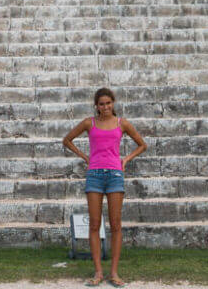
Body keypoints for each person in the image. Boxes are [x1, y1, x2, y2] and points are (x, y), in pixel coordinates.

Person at [62, 87, 148, 288]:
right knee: (94, 224)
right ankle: (98, 272)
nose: (105, 107)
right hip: (94, 175)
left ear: (113, 103)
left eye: (108, 103)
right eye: (101, 104)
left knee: (116, 224)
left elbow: (142, 145)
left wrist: (126, 159)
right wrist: (85, 157)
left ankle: (114, 273)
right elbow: (67, 140)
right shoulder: (88, 123)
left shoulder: (122, 123)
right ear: (96, 106)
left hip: (115, 174)